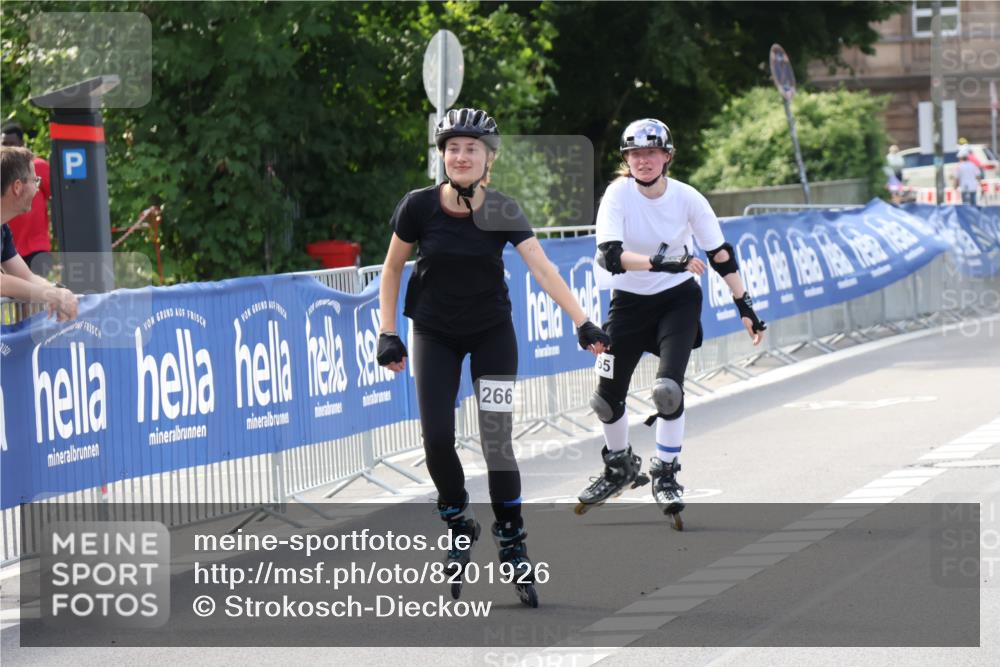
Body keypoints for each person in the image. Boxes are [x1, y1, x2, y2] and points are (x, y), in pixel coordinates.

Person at [376, 107, 610, 607]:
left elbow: (543, 269)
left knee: (497, 440)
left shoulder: (502, 209)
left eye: (472, 148)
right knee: (436, 439)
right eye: (453, 148)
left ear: (488, 160)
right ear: (443, 156)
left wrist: (582, 320)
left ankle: (511, 536)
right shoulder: (417, 207)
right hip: (434, 334)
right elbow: (393, 268)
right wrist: (387, 332)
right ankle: (458, 518)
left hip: (491, 335)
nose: (461, 156)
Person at [575, 118, 765, 530]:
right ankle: (619, 466)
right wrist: (660, 261)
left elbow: (720, 255)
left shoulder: (687, 198)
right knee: (605, 400)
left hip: (677, 301)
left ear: (667, 157)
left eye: (651, 152)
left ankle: (665, 471)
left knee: (667, 390)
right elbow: (610, 255)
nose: (643, 161)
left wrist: (744, 305)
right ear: (627, 160)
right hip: (628, 302)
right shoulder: (618, 195)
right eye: (635, 154)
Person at [1, 146, 77, 320]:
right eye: (35, 180)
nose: (37, 189)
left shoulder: (3, 229)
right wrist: (49, 295)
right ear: (18, 187)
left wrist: (56, 291)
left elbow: (26, 275)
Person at [1, 122, 52, 276]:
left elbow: (53, 196)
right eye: (5, 144)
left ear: (22, 144)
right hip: (13, 247)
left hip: (36, 246)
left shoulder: (39, 166)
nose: (9, 147)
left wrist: (53, 292)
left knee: (31, 292)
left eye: (13, 144)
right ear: (16, 186)